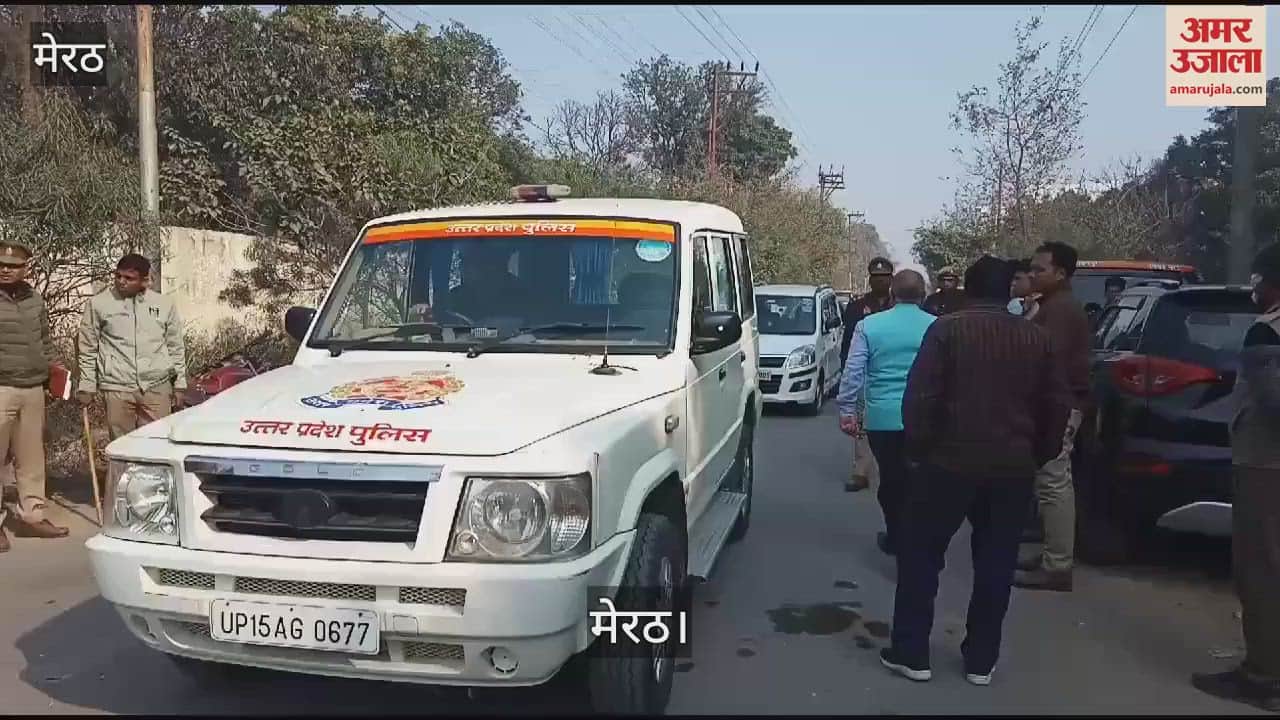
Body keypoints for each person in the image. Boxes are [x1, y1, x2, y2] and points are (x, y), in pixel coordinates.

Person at [880, 255, 1070, 686]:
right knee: (996, 564)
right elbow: (1056, 404)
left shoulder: (946, 330)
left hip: (947, 463)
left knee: (921, 558)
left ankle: (911, 652)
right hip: (1012, 468)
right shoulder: (1036, 339)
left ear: (967, 289)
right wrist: (1038, 453)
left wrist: (919, 449)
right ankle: (981, 660)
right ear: (1009, 292)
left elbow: (921, 398)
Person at [1191, 242, 1280, 711]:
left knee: (1261, 567)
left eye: (1257, 279)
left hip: (1266, 465)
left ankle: (1263, 675)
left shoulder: (1267, 332)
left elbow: (1274, 401)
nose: (1254, 289)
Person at [837, 270, 935, 556]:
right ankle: (917, 542)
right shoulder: (938, 326)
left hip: (882, 418)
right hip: (926, 418)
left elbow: (853, 371)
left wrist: (847, 410)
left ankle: (897, 536)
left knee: (891, 480)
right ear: (923, 295)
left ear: (892, 294)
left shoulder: (870, 326)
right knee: (920, 483)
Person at [1014, 241, 1092, 592]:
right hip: (1054, 404)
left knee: (1054, 482)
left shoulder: (1060, 310)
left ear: (1061, 273)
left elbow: (1043, 358)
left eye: (1039, 269)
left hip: (1059, 405)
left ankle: (1058, 565)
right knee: (1048, 482)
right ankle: (1051, 554)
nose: (1032, 274)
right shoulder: (1050, 304)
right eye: (1031, 269)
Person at [0, 240, 71, 551]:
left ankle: (33, 517)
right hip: (1, 387)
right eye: (1, 264)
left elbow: (45, 341)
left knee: (31, 458)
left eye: (13, 266)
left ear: (25, 268)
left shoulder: (35, 300)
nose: (6, 269)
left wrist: (56, 371)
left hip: (33, 388)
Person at [77, 254, 189, 442]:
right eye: (118, 276)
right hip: (117, 386)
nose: (121, 282)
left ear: (145, 280)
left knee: (156, 445)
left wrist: (179, 384)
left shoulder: (164, 305)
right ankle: (120, 474)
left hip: (156, 386)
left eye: (129, 278)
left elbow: (175, 347)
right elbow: (87, 348)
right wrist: (87, 385)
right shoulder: (98, 304)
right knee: (121, 447)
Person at [840, 257, 895, 492]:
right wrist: (846, 368)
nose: (880, 281)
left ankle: (892, 472)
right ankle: (861, 472)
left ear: (891, 279)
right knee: (862, 423)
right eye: (876, 277)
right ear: (870, 279)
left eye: (884, 277)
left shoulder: (898, 306)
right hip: (864, 371)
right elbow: (848, 340)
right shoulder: (857, 306)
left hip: (892, 371)